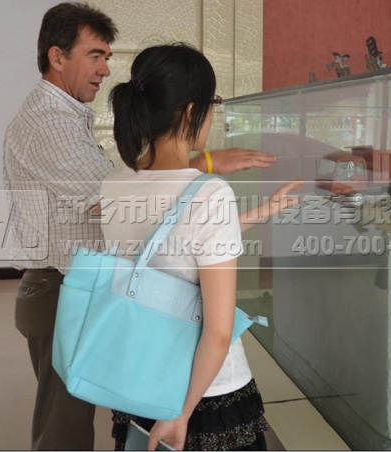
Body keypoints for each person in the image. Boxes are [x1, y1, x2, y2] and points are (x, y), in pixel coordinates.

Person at [2, 3, 279, 450]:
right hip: (65, 288)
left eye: (108, 57)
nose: (105, 69)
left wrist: (231, 206)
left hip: (93, 289)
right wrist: (204, 168)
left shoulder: (74, 126)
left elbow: (145, 201)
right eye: (95, 55)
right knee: (64, 432)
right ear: (57, 56)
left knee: (80, 419)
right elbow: (129, 200)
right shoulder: (50, 123)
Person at [103, 43, 303, 451]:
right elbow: (217, 330)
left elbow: (174, 245)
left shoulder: (114, 184)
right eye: (214, 103)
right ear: (192, 112)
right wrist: (180, 414)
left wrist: (261, 212)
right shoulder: (210, 193)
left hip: (140, 375)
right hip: (204, 392)